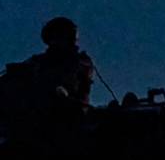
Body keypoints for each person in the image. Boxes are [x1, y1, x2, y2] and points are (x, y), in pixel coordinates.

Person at [0, 17, 95, 145]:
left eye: (64, 36)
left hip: (66, 112)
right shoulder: (39, 61)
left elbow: (72, 85)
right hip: (37, 111)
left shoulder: (79, 61)